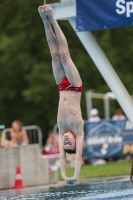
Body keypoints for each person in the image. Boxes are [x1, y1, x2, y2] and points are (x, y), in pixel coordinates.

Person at [38, 5, 84, 184]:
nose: (65, 140)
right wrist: (74, 176)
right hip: (74, 86)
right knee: (64, 54)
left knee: (54, 55)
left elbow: (62, 155)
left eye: (64, 144)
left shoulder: (61, 129)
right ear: (73, 142)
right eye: (68, 143)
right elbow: (77, 155)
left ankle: (44, 21)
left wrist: (63, 175)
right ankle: (53, 18)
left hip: (61, 86)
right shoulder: (78, 131)